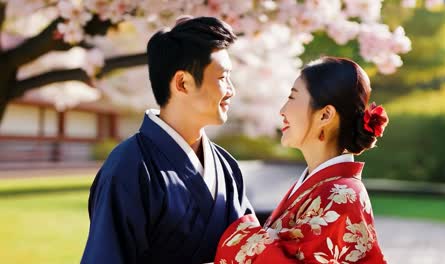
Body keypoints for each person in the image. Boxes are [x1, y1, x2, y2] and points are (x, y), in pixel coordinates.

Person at [81, 16, 254, 264]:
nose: (231, 90)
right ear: (182, 83)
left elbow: (251, 251)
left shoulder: (226, 167)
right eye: (222, 77)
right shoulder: (129, 167)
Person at [215, 57, 388, 263]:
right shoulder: (320, 185)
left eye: (292, 97)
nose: (282, 110)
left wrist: (242, 233)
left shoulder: (343, 194)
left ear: (325, 115)